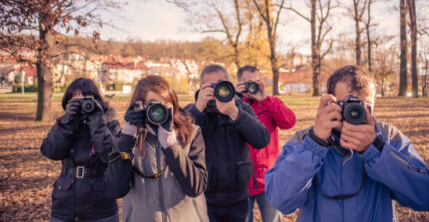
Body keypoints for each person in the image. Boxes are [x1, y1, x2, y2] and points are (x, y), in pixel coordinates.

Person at [265, 65, 429, 222]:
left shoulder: (388, 137)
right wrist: (315, 144)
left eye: (364, 107)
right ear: (330, 102)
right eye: (346, 104)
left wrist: (375, 149)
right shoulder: (305, 140)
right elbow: (280, 200)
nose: (353, 113)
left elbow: (426, 196)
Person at [105, 75, 209, 222]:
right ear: (139, 107)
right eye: (152, 106)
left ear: (173, 104)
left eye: (164, 106)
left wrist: (170, 143)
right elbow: (115, 189)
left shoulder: (191, 133)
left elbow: (195, 187)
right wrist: (128, 136)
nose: (158, 112)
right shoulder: (126, 140)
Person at [185, 64, 270, 222]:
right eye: (209, 86)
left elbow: (262, 140)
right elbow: (177, 141)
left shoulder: (241, 108)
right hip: (203, 199)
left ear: (229, 86)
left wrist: (234, 113)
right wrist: (197, 110)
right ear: (201, 88)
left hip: (237, 199)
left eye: (220, 85)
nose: (215, 91)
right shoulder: (193, 112)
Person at [40, 78, 119, 222]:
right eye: (75, 100)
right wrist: (68, 120)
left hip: (101, 207)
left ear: (97, 100)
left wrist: (96, 119)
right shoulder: (65, 124)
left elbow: (111, 156)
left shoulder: (109, 124)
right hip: (64, 206)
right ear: (67, 103)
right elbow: (50, 151)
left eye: (85, 99)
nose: (81, 104)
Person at [235, 65, 296, 222]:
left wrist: (266, 100)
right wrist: (234, 98)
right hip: (241, 180)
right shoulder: (232, 107)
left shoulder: (269, 103)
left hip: (268, 178)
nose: (252, 87)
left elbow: (289, 122)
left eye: (255, 82)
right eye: (247, 83)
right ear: (239, 83)